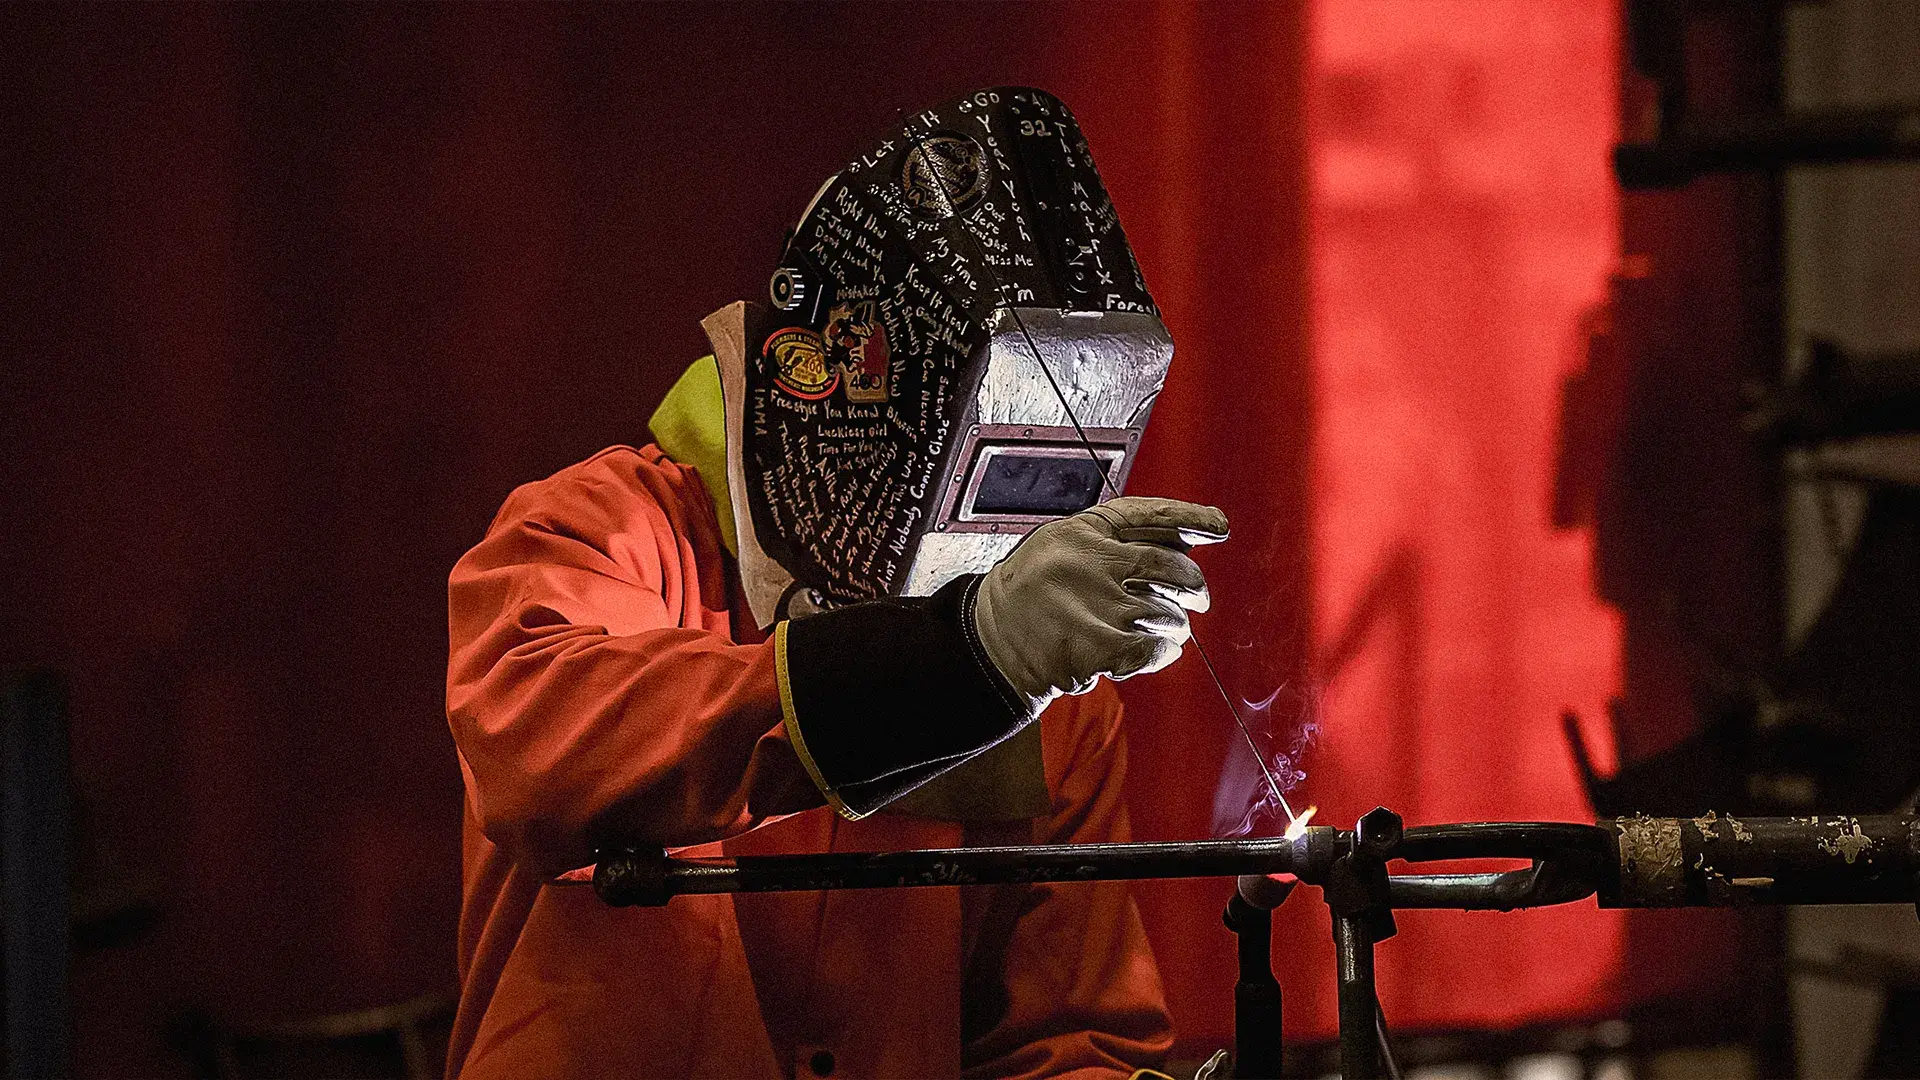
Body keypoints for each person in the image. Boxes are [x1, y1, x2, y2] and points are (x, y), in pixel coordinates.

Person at [444, 87, 1227, 1080]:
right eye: (990, 464)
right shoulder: (598, 534)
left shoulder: (1041, 686)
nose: (1009, 536)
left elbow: (1062, 1039)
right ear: (828, 391)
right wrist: (962, 659)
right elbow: (547, 758)